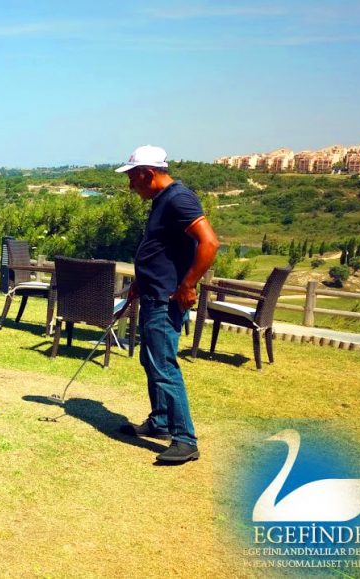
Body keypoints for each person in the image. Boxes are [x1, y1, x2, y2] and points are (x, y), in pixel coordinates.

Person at [116, 145, 219, 464]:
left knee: (163, 365)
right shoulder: (162, 200)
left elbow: (209, 242)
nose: (130, 185)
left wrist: (188, 285)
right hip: (152, 292)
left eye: (133, 178)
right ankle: (160, 421)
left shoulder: (179, 199)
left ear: (148, 174)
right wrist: (141, 281)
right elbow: (163, 249)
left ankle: (185, 440)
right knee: (150, 361)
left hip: (165, 298)